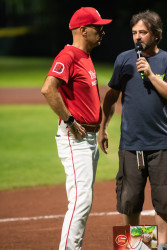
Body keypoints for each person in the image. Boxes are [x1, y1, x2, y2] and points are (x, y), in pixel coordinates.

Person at [98, 10, 167, 250]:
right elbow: (111, 96)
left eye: (143, 32)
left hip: (162, 144)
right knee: (129, 201)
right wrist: (103, 128)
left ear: (156, 35)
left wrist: (152, 76)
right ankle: (136, 247)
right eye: (134, 32)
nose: (137, 37)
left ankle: (161, 246)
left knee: (165, 200)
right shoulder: (124, 59)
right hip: (130, 144)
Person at [41, 7, 112, 250]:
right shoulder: (68, 56)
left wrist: (101, 128)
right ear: (83, 30)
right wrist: (70, 120)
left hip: (90, 138)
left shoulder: (86, 56)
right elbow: (48, 88)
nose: (102, 31)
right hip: (76, 139)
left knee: (83, 199)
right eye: (97, 27)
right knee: (81, 201)